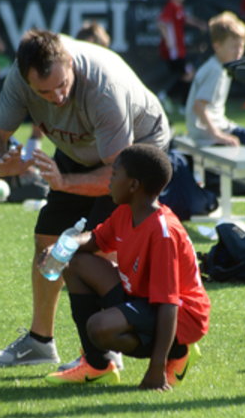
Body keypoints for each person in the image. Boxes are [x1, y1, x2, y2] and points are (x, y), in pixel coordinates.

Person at [0, 29, 170, 367]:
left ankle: (108, 351)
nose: (56, 98)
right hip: (78, 152)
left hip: (136, 155)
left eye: (62, 85)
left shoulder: (103, 87)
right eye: (44, 92)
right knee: (48, 241)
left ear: (70, 62)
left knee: (98, 249)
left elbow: (118, 175)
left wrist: (64, 181)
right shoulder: (19, 78)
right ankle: (40, 343)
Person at [44, 144, 210, 388]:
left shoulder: (163, 232)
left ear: (133, 185)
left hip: (181, 315)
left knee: (100, 328)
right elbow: (96, 239)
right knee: (75, 264)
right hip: (144, 299)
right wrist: (64, 246)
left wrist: (156, 369)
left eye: (114, 175)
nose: (109, 181)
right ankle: (98, 366)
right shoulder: (126, 211)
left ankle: (178, 351)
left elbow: (168, 303)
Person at [185, 12, 245, 147]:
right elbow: (199, 106)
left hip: (213, 128)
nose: (239, 51)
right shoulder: (216, 71)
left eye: (242, 46)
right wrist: (218, 135)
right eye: (234, 46)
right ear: (217, 46)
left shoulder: (217, 66)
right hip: (211, 133)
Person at [158, 0, 207, 109]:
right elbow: (161, 23)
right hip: (174, 51)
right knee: (188, 73)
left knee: (188, 74)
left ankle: (179, 103)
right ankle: (168, 97)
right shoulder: (170, 6)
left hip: (180, 49)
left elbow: (186, 19)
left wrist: (200, 24)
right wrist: (168, 41)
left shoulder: (178, 7)